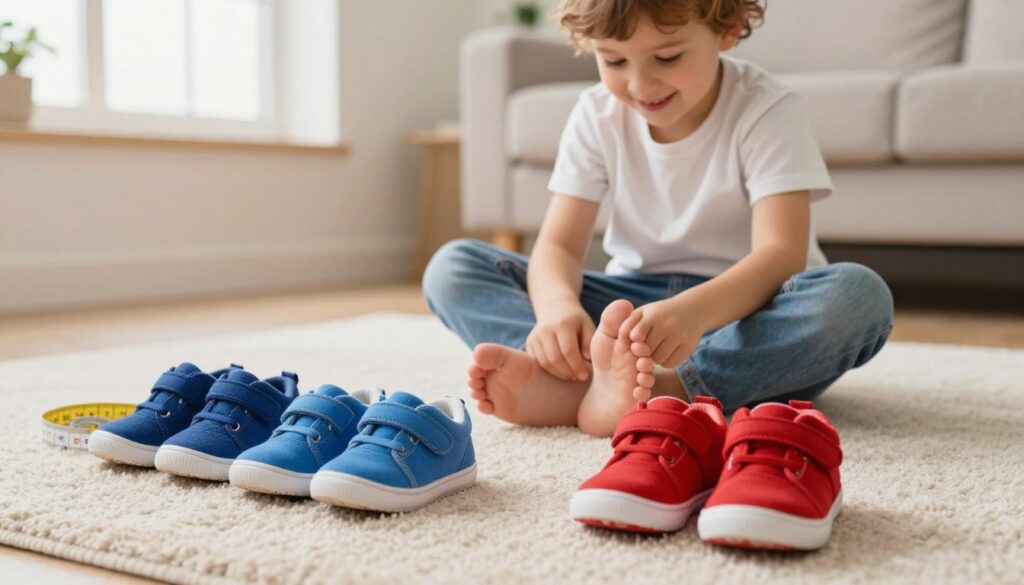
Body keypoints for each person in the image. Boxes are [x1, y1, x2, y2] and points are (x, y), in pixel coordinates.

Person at [423, 0, 894, 437]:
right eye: (614, 61)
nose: (640, 84)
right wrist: (557, 312)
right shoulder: (596, 115)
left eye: (666, 58)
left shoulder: (767, 109)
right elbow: (559, 247)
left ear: (726, 29)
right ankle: (565, 375)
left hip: (742, 314)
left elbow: (781, 255)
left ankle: (667, 389)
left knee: (858, 297)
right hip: (630, 319)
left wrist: (694, 314)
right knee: (453, 266)